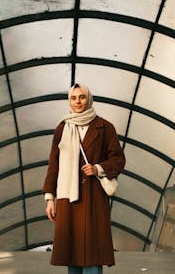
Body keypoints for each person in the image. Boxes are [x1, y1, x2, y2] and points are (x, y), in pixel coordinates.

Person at [42, 83, 126, 274]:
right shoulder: (62, 128)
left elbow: (118, 159)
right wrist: (49, 198)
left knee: (92, 253)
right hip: (68, 199)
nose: (78, 101)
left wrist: (98, 168)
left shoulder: (105, 127)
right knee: (72, 253)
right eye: (73, 98)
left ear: (88, 99)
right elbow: (54, 164)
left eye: (81, 97)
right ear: (69, 101)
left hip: (93, 197)